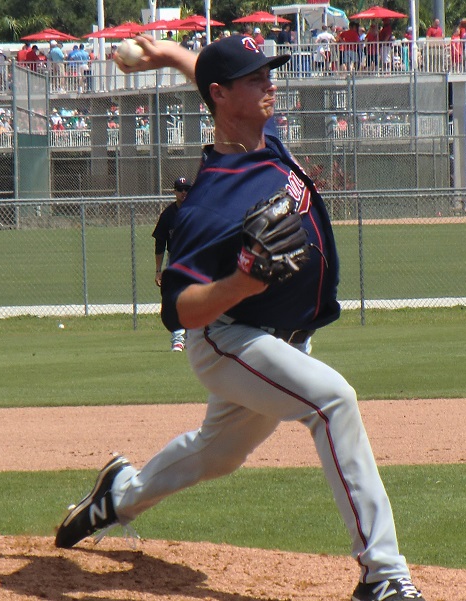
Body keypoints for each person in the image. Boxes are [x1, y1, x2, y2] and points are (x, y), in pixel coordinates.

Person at [54, 34, 426, 601]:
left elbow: (210, 79)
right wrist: (241, 282)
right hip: (229, 339)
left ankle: (117, 494)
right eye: (255, 79)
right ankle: (383, 575)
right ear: (225, 96)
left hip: (282, 342)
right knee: (333, 402)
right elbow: (179, 306)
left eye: (267, 74)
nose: (269, 84)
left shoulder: (264, 139)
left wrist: (170, 57)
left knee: (217, 454)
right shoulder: (209, 202)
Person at [152, 176, 191, 352]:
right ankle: (178, 339)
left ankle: (192, 338)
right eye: (180, 189)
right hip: (175, 261)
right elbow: (160, 243)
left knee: (195, 299)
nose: (184, 192)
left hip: (196, 260)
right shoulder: (168, 215)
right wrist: (158, 270)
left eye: (187, 189)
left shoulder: (196, 212)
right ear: (174, 192)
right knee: (175, 300)